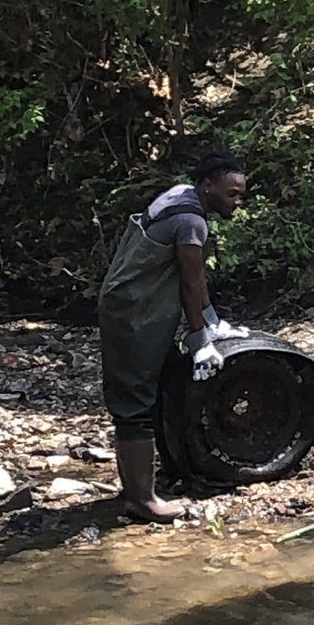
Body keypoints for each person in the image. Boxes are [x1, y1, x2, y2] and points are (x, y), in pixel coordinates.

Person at [98, 151, 248, 523]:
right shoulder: (190, 221)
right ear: (207, 186)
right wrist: (201, 338)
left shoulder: (180, 194)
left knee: (159, 390)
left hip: (135, 305)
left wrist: (211, 322)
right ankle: (142, 500)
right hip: (135, 314)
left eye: (240, 194)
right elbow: (191, 281)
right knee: (135, 405)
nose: (237, 202)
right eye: (231, 194)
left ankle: (147, 482)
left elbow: (193, 284)